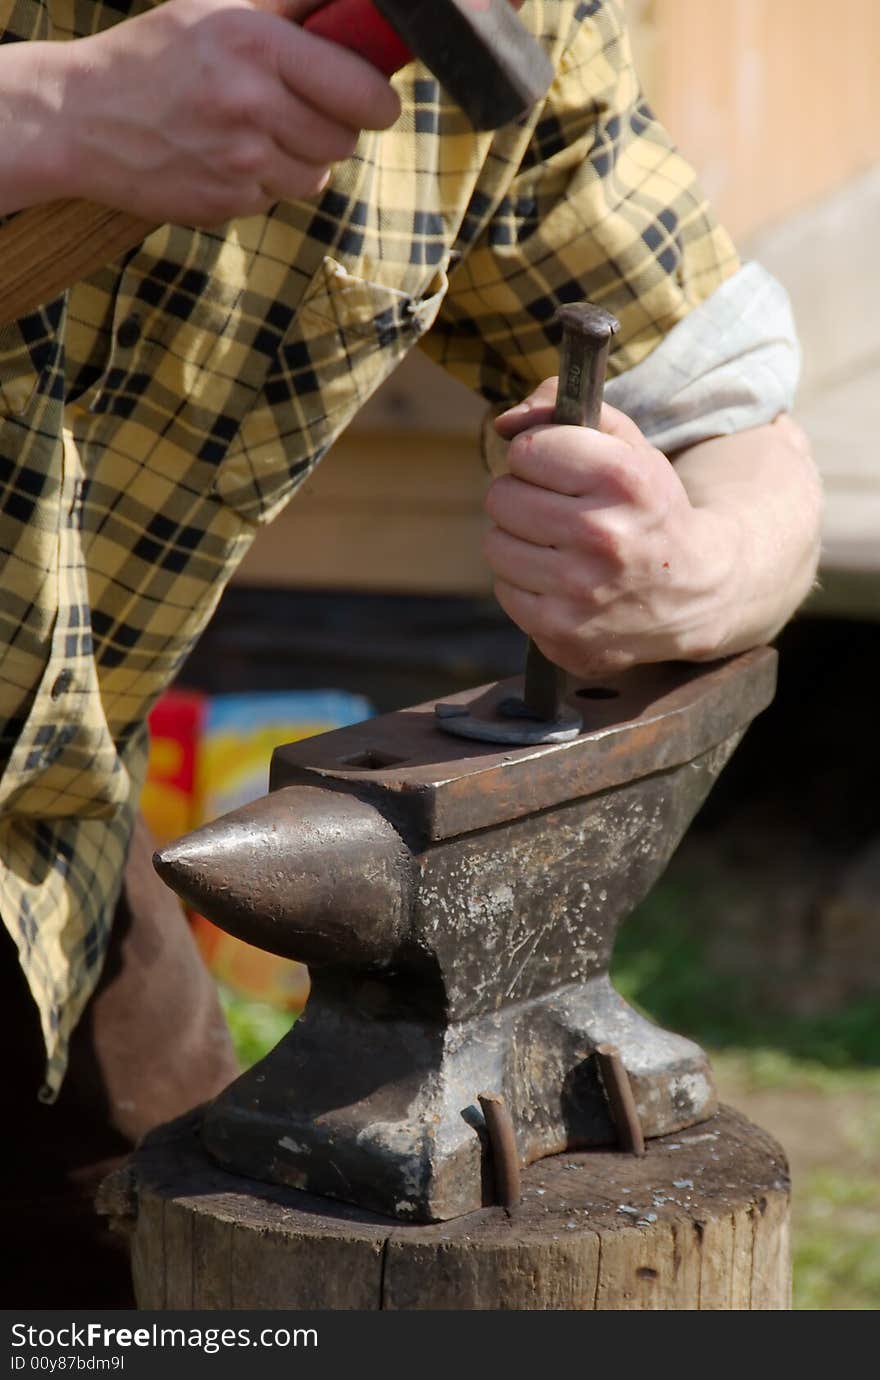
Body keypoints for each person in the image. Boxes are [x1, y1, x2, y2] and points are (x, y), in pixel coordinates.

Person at [0, 0, 821, 1304]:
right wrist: (38, 116)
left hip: (47, 839)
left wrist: (681, 571)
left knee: (184, 1268)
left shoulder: (512, 29)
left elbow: (747, 435)